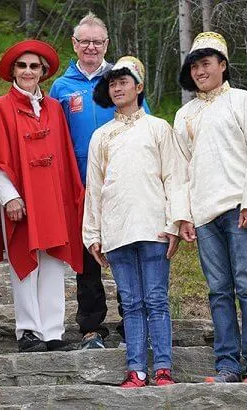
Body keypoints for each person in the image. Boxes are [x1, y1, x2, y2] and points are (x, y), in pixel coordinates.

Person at [172, 32, 247, 384]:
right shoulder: (185, 115)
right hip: (203, 215)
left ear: (223, 65)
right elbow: (181, 171)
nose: (200, 71)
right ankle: (227, 365)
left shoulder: (242, 101)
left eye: (207, 63)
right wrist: (183, 215)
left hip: (238, 209)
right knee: (218, 290)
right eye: (195, 65)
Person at [49, 12, 150, 349]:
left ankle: (131, 322)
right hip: (80, 185)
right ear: (74, 45)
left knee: (125, 252)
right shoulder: (61, 87)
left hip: (123, 186)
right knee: (86, 261)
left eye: (97, 41)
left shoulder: (120, 79)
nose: (91, 46)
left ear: (106, 45)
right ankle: (91, 326)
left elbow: (144, 125)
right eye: (85, 41)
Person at [0, 39, 84, 353]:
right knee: (23, 258)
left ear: (43, 73)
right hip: (20, 196)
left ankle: (52, 331)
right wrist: (9, 196)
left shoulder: (54, 108)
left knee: (52, 259)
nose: (28, 71)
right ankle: (28, 330)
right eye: (22, 65)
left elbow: (63, 155)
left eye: (34, 66)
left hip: (51, 195)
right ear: (14, 70)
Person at [84, 56, 179, 388]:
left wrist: (175, 224)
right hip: (117, 229)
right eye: (112, 83)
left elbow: (173, 178)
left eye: (124, 81)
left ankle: (164, 367)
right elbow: (94, 189)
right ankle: (136, 369)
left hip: (153, 226)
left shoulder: (159, 128)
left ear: (139, 87)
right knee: (132, 302)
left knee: (156, 298)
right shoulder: (101, 136)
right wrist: (93, 234)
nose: (117, 87)